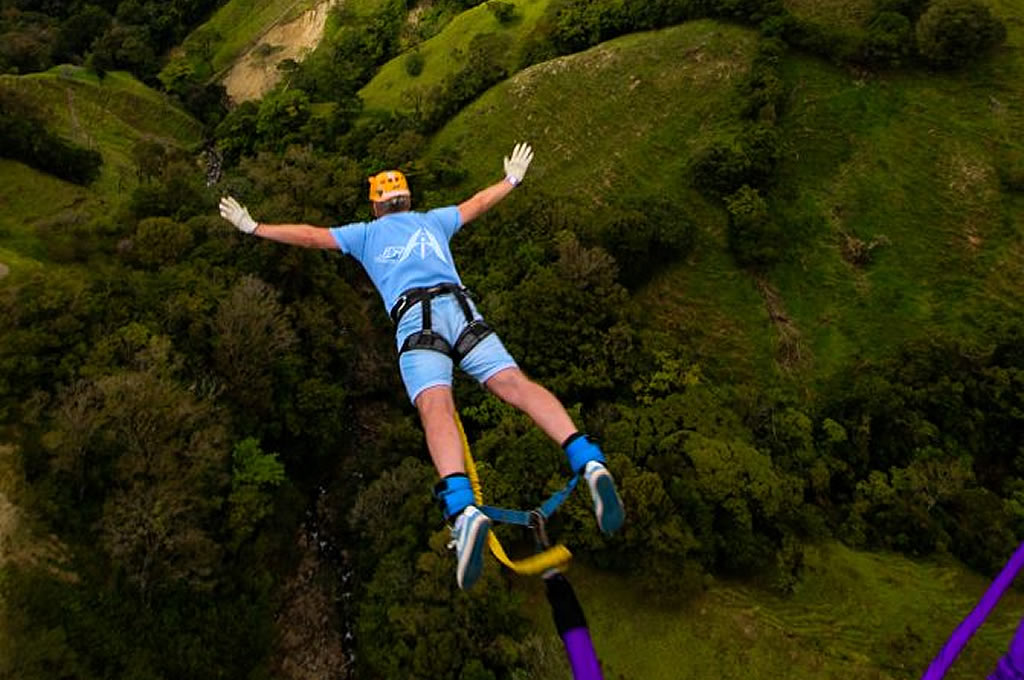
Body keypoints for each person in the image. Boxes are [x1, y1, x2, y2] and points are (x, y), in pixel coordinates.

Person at [218, 142, 624, 590]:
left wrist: (254, 226)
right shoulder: (435, 221)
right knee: (515, 384)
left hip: (416, 321)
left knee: (437, 408)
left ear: (376, 205)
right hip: (462, 310)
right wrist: (511, 180)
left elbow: (313, 236)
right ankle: (587, 459)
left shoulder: (365, 235)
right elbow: (477, 205)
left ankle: (463, 508)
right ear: (407, 199)